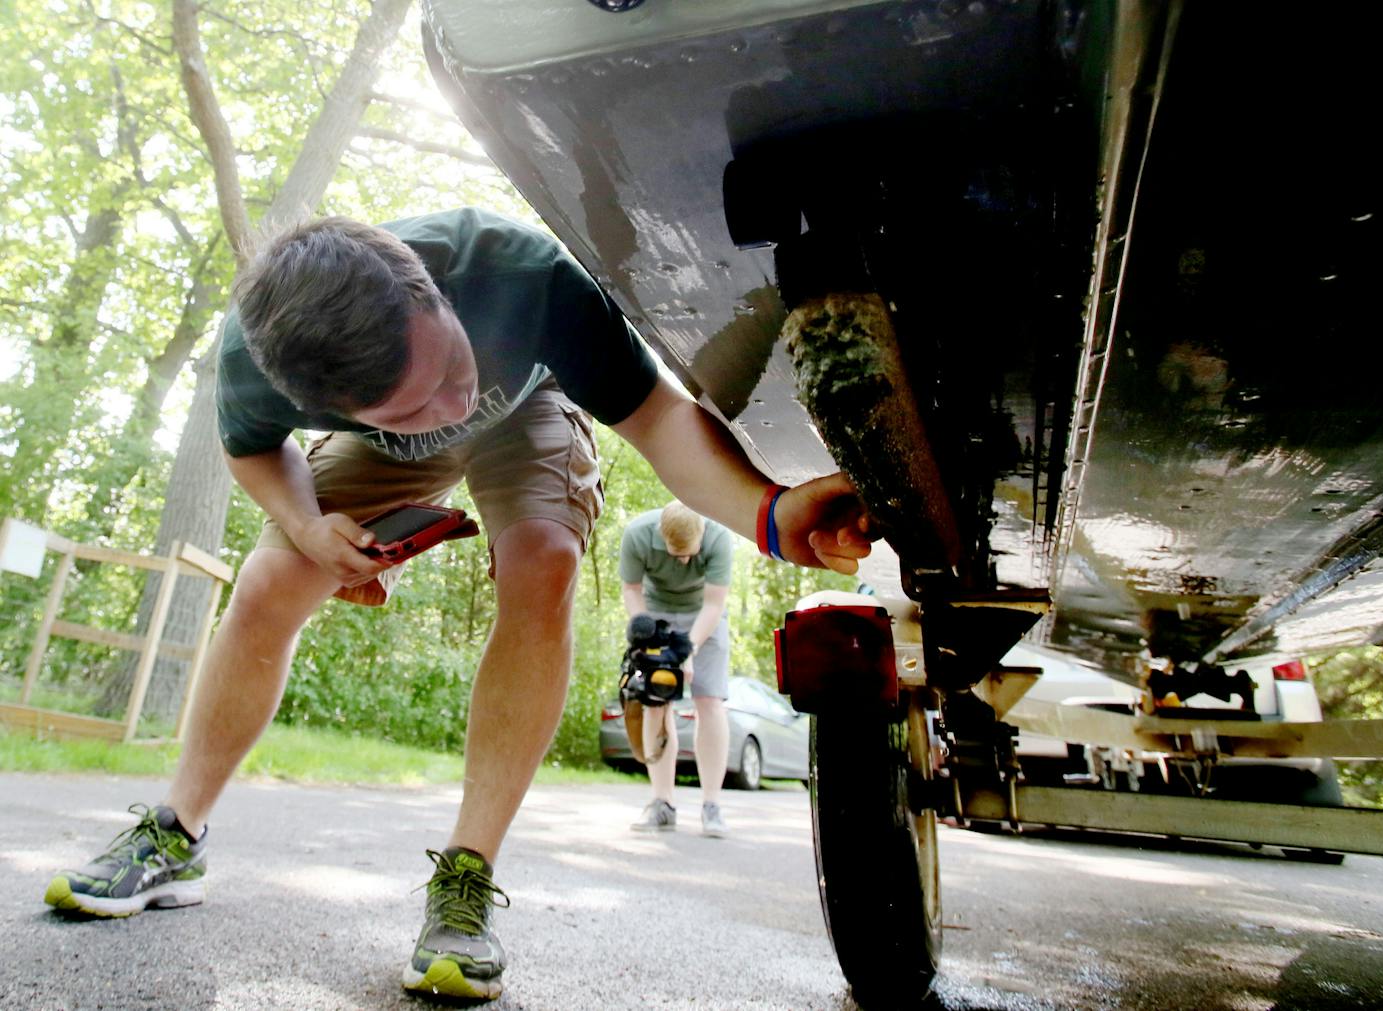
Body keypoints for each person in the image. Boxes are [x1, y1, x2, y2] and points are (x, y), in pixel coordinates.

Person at [40, 207, 871, 1003]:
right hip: (376, 454)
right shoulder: (258, 355)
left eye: (447, 368)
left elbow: (658, 420)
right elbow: (253, 450)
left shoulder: (522, 272)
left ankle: (465, 878)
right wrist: (308, 525)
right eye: (415, 402)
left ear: (431, 289)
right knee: (269, 579)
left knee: (541, 561)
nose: (449, 408)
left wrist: (767, 512)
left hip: (534, 407)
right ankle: (175, 835)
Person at [620, 501, 734, 837]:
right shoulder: (637, 535)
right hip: (657, 615)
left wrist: (689, 650)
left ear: (702, 534)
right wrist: (647, 634)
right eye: (675, 553)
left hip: (705, 616)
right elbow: (631, 589)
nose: (683, 561)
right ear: (660, 536)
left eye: (689, 553)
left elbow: (715, 603)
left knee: (710, 703)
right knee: (657, 701)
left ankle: (712, 805)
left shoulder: (719, 536)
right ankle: (662, 803)